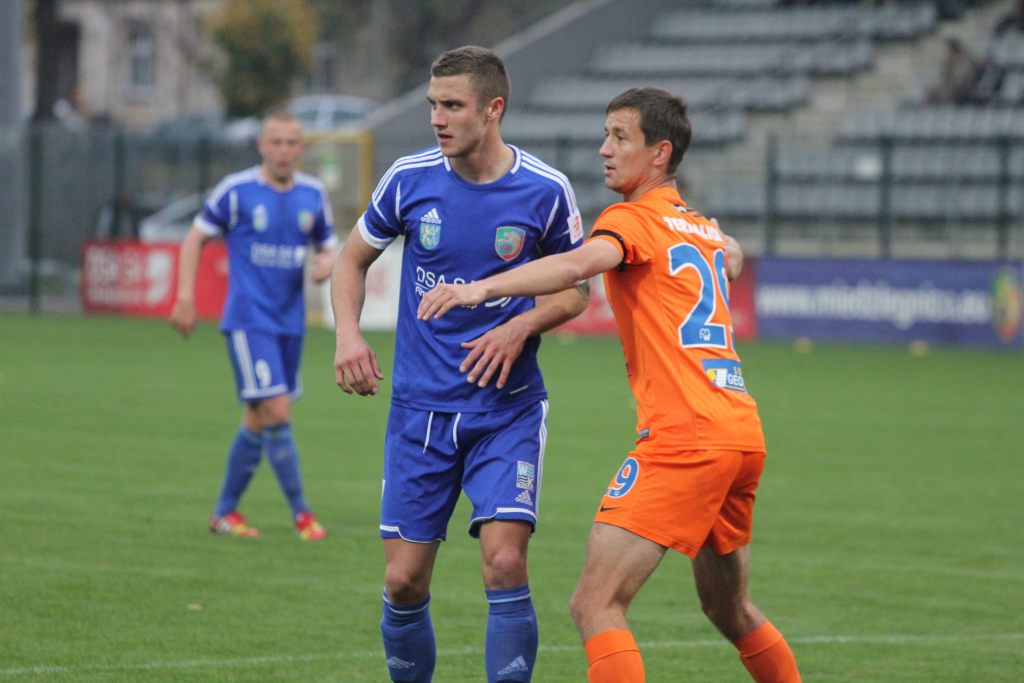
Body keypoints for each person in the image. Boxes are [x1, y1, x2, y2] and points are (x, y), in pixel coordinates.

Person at [418, 87, 802, 683]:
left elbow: (575, 266)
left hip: (685, 438)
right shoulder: (697, 226)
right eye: (605, 134)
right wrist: (730, 248)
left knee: (594, 604)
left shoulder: (631, 219)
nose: (604, 149)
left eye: (620, 137)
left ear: (659, 153)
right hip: (740, 434)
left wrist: (480, 288)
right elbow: (727, 254)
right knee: (729, 607)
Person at [331, 45, 587, 683]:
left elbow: (576, 289)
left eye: (453, 106)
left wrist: (521, 326)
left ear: (493, 109)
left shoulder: (546, 190)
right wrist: (347, 336)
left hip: (508, 409)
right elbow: (350, 259)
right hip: (419, 409)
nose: (438, 119)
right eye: (432, 105)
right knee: (404, 579)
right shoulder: (408, 178)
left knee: (504, 564)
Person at [171, 111, 336, 542]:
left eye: (291, 143)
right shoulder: (237, 190)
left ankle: (224, 513)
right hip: (249, 320)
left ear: (301, 149)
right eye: (275, 142)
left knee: (258, 418)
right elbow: (194, 238)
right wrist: (185, 296)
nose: (283, 151)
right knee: (277, 410)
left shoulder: (314, 195)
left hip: (290, 323)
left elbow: (330, 248)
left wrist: (325, 265)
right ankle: (302, 514)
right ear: (262, 146)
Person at [925, 37, 979, 105]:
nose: (947, 52)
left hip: (960, 90)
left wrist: (949, 84)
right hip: (950, 88)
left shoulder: (963, 62)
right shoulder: (948, 61)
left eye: (949, 49)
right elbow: (943, 75)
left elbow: (962, 79)